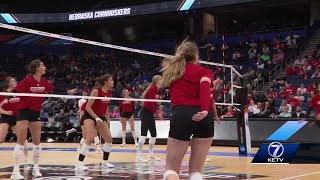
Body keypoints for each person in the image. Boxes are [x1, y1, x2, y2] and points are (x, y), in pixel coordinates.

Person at [162, 41, 214, 180]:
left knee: (171, 169)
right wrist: (204, 109)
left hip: (182, 114)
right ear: (196, 55)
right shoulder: (204, 71)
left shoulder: (173, 71)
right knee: (196, 172)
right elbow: (204, 86)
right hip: (204, 116)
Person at [12, 60, 54, 179]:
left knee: (37, 142)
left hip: (36, 112)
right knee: (21, 141)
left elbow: (51, 90)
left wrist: (70, 92)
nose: (45, 67)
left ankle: (36, 168)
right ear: (36, 68)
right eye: (42, 65)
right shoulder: (27, 81)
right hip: (24, 112)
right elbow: (16, 93)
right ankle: (15, 171)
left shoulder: (44, 81)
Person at [75, 74, 115, 171]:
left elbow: (106, 109)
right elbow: (88, 107)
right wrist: (96, 118)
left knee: (109, 138)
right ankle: (79, 164)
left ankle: (105, 162)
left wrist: (107, 119)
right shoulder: (96, 91)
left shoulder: (109, 93)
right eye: (111, 80)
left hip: (100, 116)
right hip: (89, 115)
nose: (113, 82)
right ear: (105, 82)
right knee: (90, 138)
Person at [0, 77, 28, 162]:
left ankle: (26, 159)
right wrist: (6, 112)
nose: (15, 82)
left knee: (23, 140)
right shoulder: (2, 94)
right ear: (8, 83)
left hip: (17, 118)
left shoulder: (19, 93)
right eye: (13, 81)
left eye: (15, 80)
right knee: (1, 139)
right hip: (6, 118)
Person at [136, 75, 162, 163]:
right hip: (146, 112)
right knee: (144, 134)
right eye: (161, 79)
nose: (162, 80)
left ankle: (150, 154)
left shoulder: (159, 90)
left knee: (154, 134)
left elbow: (157, 102)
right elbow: (150, 103)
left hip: (150, 113)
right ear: (157, 80)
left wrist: (156, 108)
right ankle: (139, 155)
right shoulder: (152, 89)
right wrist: (157, 112)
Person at [205, 78, 221, 162]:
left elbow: (213, 103)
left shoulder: (213, 92)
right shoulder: (204, 90)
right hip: (203, 113)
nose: (217, 86)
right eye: (216, 84)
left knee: (208, 136)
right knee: (202, 136)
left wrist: (216, 116)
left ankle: (204, 155)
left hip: (210, 114)